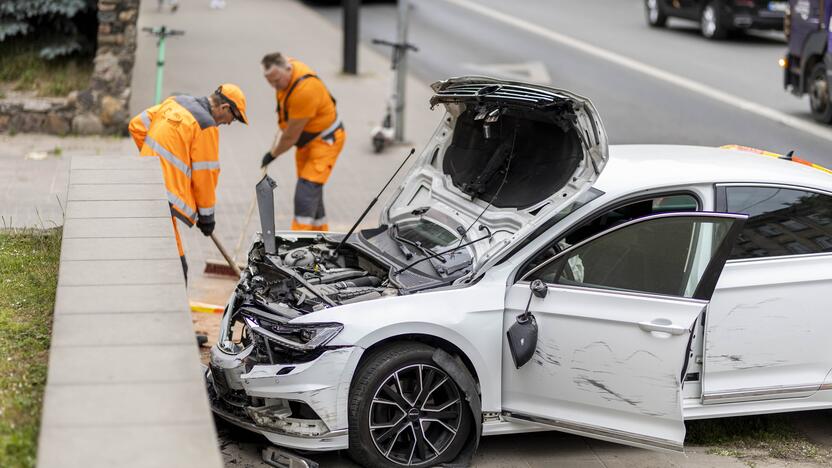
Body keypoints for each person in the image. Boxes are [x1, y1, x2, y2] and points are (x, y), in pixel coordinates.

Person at [128, 84, 248, 279]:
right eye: (232, 118)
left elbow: (137, 125)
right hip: (162, 201)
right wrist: (207, 217)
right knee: (177, 269)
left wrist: (153, 162)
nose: (229, 123)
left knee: (163, 259)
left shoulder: (176, 102)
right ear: (224, 107)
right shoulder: (206, 125)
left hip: (146, 187)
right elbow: (205, 175)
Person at [260, 52, 346, 231]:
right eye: (269, 81)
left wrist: (272, 154)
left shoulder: (305, 90)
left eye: (276, 80)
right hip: (308, 143)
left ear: (288, 68)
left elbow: (291, 137)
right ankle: (321, 237)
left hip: (325, 142)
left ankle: (297, 244)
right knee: (313, 191)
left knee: (305, 193)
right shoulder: (286, 69)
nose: (274, 86)